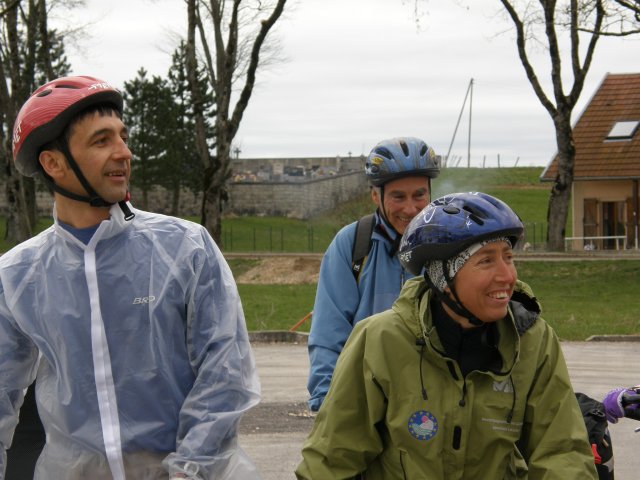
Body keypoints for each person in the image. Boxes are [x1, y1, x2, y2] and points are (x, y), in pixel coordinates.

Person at [0, 76, 260, 480]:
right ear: (53, 163)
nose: (125, 152)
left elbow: (225, 372)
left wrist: (190, 470)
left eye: (123, 136)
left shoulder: (186, 247)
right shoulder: (17, 275)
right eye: (102, 140)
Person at [296, 192, 598, 479]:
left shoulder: (533, 341)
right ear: (443, 276)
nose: (507, 276)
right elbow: (332, 458)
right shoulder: (380, 340)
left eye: (507, 257)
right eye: (486, 260)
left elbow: (561, 452)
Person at [306, 137, 440, 412]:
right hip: (366, 398)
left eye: (419, 195)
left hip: (436, 398)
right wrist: (325, 402)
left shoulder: (447, 243)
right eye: (397, 197)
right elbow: (329, 332)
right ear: (375, 196)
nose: (410, 208)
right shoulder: (353, 244)